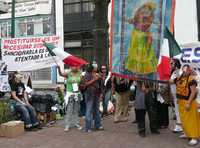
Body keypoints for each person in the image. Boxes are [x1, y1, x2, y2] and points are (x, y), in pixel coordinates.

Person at [125, 2, 158, 74]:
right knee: (136, 54)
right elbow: (133, 21)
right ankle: (137, 71)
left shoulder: (147, 20)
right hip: (137, 37)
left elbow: (147, 25)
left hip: (142, 37)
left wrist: (149, 41)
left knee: (144, 54)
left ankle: (141, 72)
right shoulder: (139, 17)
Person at [171, 65, 200, 146]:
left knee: (191, 120)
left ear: (189, 71)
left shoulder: (192, 80)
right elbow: (171, 81)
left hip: (189, 102)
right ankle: (187, 133)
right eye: (183, 70)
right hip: (181, 102)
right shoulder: (180, 78)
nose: (184, 72)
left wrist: (188, 103)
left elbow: (193, 92)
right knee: (184, 120)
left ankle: (194, 137)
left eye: (186, 70)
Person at [58, 65, 82, 132]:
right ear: (71, 67)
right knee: (69, 110)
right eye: (73, 66)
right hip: (70, 94)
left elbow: (81, 83)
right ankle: (67, 125)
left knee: (76, 110)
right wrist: (59, 68)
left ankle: (76, 123)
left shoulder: (79, 74)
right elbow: (60, 74)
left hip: (77, 94)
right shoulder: (68, 74)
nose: (75, 67)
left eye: (76, 66)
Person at [83, 64, 103, 132]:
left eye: (96, 67)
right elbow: (85, 84)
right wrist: (94, 79)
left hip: (96, 94)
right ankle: (88, 127)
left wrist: (100, 78)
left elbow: (100, 85)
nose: (96, 68)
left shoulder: (97, 74)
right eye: (95, 67)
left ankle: (98, 125)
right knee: (89, 110)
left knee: (97, 110)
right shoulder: (86, 75)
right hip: (89, 94)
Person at [170, 59, 183, 133]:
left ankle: (180, 126)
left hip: (179, 96)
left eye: (172, 63)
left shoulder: (180, 72)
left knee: (180, 111)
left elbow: (179, 82)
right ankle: (179, 126)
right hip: (175, 95)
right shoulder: (173, 72)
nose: (170, 65)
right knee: (177, 111)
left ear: (176, 64)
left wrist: (173, 81)